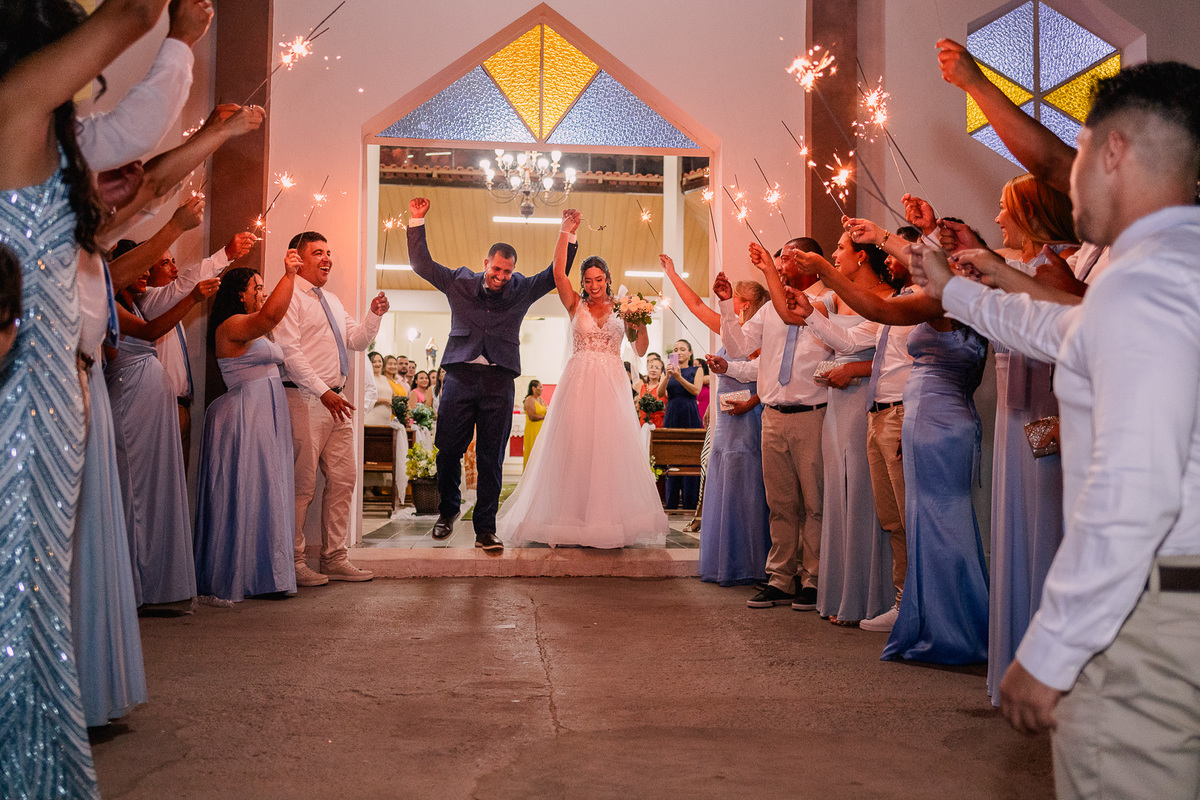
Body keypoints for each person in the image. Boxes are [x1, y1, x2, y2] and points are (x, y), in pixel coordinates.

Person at [912, 62, 1200, 798]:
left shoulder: (1141, 281)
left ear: (1113, 153)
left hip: (1154, 617)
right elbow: (1068, 328)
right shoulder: (1176, 268)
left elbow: (1135, 493)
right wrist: (957, 295)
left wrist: (1052, 647)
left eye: (1078, 154)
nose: (1068, 185)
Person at [0, 2, 169, 794]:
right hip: (21, 400)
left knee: (26, 609)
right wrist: (186, 38)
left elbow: (129, 194)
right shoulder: (14, 108)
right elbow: (134, 10)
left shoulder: (25, 130)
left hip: (41, 396)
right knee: (18, 610)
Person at [780, 237, 990, 664]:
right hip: (881, 412)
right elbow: (855, 338)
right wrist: (811, 315)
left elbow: (876, 326)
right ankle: (903, 600)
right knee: (895, 518)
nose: (893, 261)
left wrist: (824, 270)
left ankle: (936, 610)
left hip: (908, 413)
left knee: (922, 516)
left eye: (900, 254)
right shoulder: (905, 299)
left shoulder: (928, 303)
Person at [405, 196, 577, 551]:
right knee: (447, 450)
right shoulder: (459, 281)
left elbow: (554, 274)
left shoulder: (522, 289)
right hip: (459, 377)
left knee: (491, 457)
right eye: (496, 269)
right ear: (487, 262)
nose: (500, 277)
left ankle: (485, 528)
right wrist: (416, 219)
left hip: (500, 381)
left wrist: (567, 234)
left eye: (506, 272)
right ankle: (448, 511)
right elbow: (422, 264)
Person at [497, 210, 669, 548]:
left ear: (607, 277)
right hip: (578, 384)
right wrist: (566, 232)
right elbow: (558, 273)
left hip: (612, 384)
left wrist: (640, 322)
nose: (593, 286)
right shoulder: (574, 304)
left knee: (609, 448)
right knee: (576, 447)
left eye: (598, 279)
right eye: (587, 280)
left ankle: (608, 520)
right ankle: (569, 518)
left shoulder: (624, 307)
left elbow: (639, 349)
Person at [718, 237, 832, 611]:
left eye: (785, 260)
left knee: (814, 503)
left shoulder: (827, 299)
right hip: (772, 416)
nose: (781, 267)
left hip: (811, 415)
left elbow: (797, 315)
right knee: (780, 503)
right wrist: (724, 304)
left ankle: (812, 579)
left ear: (806, 261)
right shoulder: (768, 311)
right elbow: (737, 348)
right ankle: (781, 577)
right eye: (778, 261)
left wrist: (766, 269)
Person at [275, 231, 389, 585]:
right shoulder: (288, 296)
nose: (327, 259)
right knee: (302, 485)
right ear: (298, 257)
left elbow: (357, 340)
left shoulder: (334, 301)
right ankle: (293, 562)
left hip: (337, 402)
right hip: (305, 398)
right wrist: (324, 392)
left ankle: (334, 556)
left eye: (329, 252)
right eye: (318, 252)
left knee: (344, 479)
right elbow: (290, 354)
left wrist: (373, 315)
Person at [800, 234, 897, 627]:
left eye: (839, 249)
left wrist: (853, 369)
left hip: (865, 399)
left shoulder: (888, 297)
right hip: (838, 400)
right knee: (837, 493)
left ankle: (873, 596)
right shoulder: (837, 297)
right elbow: (833, 336)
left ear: (860, 255)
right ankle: (843, 592)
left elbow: (883, 355)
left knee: (862, 492)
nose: (835, 254)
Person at [193, 255, 300, 604]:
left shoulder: (252, 326)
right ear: (241, 294)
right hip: (245, 414)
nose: (262, 291)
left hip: (265, 412)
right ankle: (244, 572)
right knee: (248, 487)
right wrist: (289, 273)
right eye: (257, 286)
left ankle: (266, 573)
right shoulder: (232, 325)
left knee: (267, 487)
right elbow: (270, 314)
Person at [661, 254, 772, 585]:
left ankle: (752, 563)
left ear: (747, 303)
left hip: (748, 420)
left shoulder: (758, 337)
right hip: (725, 424)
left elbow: (767, 375)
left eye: (735, 298)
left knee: (748, 490)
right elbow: (695, 305)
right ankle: (727, 561)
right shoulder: (729, 331)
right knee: (725, 488)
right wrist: (672, 274)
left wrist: (751, 401)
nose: (729, 303)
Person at [108, 270, 217, 606]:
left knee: (153, 491)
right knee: (132, 492)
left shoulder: (137, 303)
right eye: (139, 266)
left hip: (149, 404)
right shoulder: (112, 304)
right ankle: (131, 587)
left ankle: (153, 582)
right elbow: (150, 331)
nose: (145, 272)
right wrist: (194, 298)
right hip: (129, 399)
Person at [663, 338, 707, 510]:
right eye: (676, 349)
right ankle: (671, 502)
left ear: (690, 353)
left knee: (690, 457)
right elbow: (660, 392)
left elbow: (696, 391)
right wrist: (667, 377)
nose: (679, 352)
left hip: (689, 412)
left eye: (682, 349)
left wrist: (679, 378)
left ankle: (690, 502)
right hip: (672, 413)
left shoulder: (697, 370)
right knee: (671, 456)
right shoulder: (668, 370)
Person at [635, 354, 667, 427]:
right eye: (651, 367)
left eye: (657, 368)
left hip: (658, 424)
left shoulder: (664, 388)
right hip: (643, 423)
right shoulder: (642, 387)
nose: (653, 370)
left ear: (661, 371)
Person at [364, 351, 395, 425]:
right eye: (374, 362)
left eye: (379, 361)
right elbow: (366, 399)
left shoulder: (384, 378)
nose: (377, 364)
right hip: (371, 418)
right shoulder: (367, 379)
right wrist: (385, 401)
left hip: (386, 420)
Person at [522, 379, 547, 471]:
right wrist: (545, 417)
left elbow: (547, 410)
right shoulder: (529, 399)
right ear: (533, 388)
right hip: (533, 430)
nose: (542, 389)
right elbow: (532, 416)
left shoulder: (540, 399)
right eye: (540, 387)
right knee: (533, 452)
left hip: (541, 430)